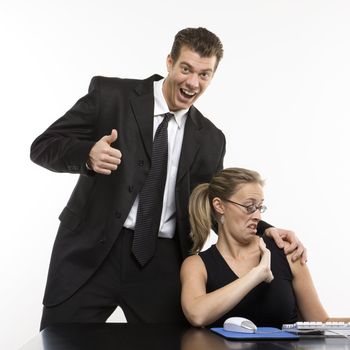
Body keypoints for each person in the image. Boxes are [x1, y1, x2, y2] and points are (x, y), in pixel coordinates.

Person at [30, 27, 305, 331]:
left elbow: (214, 206)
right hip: (91, 250)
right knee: (58, 342)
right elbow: (43, 147)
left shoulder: (211, 139)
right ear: (170, 62)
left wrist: (267, 230)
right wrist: (87, 155)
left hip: (161, 261)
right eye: (186, 69)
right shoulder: (111, 96)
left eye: (204, 74)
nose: (192, 82)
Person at [181, 167, 349, 328]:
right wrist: (256, 275)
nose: (258, 216)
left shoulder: (288, 252)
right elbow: (197, 315)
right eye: (249, 207)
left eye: (260, 207)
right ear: (219, 206)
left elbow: (321, 322)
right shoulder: (196, 265)